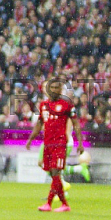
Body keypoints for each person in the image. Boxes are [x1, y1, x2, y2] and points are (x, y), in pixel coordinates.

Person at [25, 79, 85, 212]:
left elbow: (76, 124)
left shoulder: (66, 105)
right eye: (51, 87)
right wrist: (30, 139)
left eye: (57, 87)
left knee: (55, 171)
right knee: (53, 173)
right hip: (48, 143)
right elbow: (39, 123)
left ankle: (49, 203)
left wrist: (80, 143)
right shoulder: (44, 105)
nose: (54, 90)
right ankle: (64, 204)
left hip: (60, 143)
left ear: (61, 89)